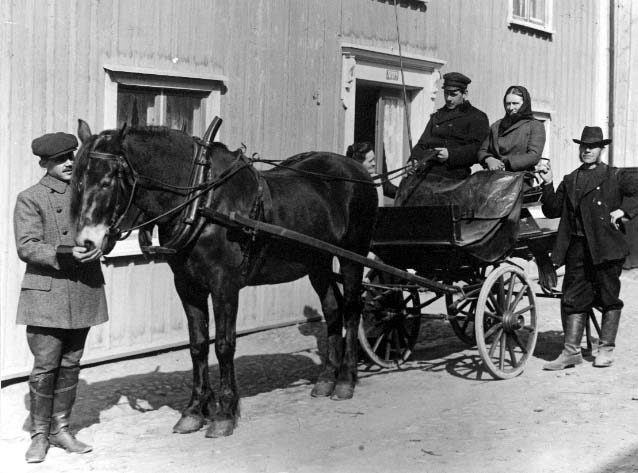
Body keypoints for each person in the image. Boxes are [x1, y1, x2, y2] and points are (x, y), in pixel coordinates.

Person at [14, 132, 108, 463]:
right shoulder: (30, 198)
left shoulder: (88, 195)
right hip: (47, 294)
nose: (69, 163)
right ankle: (39, 434)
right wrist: (66, 253)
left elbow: (104, 232)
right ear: (44, 163)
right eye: (60, 159)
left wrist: (102, 244)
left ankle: (61, 429)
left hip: (83, 289)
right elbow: (27, 245)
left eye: (72, 156)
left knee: (71, 363)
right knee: (45, 365)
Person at [538, 126, 638, 370]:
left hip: (606, 247)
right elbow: (552, 209)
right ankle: (571, 352)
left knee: (608, 297)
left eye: (592, 147)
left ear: (601, 149)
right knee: (573, 299)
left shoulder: (615, 175)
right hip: (577, 248)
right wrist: (548, 183)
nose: (587, 150)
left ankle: (605, 349)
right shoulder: (570, 179)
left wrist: (624, 211)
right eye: (584, 146)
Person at [409, 72, 489, 180]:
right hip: (426, 172)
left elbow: (478, 149)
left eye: (453, 94)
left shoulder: (477, 117)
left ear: (465, 94)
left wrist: (450, 154)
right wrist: (414, 159)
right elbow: (422, 144)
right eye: (446, 93)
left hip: (454, 177)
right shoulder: (437, 116)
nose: (448, 98)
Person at [477, 85, 545, 181]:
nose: (510, 107)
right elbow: (482, 150)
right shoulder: (496, 125)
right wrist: (488, 159)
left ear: (525, 103)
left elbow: (534, 156)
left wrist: (507, 164)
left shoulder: (535, 126)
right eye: (508, 104)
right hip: (494, 178)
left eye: (515, 103)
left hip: (520, 180)